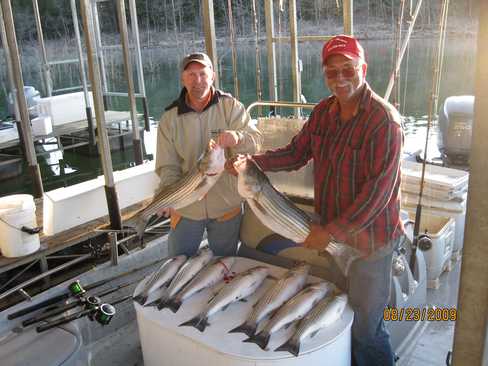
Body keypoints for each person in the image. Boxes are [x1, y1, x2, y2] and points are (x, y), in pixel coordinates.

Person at [235, 35, 405, 365]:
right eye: (332, 72)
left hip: (373, 245)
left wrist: (330, 234)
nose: (340, 78)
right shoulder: (324, 112)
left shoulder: (385, 122)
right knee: (337, 314)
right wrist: (253, 163)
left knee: (367, 330)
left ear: (364, 69)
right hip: (331, 238)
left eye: (348, 69)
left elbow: (377, 196)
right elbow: (296, 153)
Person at [155, 52, 261, 258]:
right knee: (177, 262)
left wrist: (237, 138)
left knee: (224, 262)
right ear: (182, 79)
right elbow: (168, 166)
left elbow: (255, 143)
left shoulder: (231, 107)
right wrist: (168, 196)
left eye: (203, 74)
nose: (198, 81)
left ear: (212, 75)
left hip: (226, 206)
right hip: (185, 208)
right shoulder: (169, 118)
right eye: (191, 75)